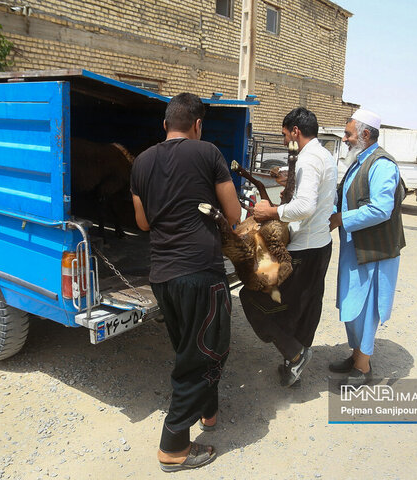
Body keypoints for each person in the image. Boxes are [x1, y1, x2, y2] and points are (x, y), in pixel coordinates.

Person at [130, 92, 241, 472]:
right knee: (205, 354)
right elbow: (233, 211)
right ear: (197, 125)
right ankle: (173, 445)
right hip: (200, 274)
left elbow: (143, 223)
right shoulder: (208, 153)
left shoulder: (141, 162)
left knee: (192, 350)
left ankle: (207, 412)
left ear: (165, 125)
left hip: (162, 276)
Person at [241, 107, 337, 387]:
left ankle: (294, 355)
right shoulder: (324, 155)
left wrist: (270, 212)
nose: (284, 141)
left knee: (253, 299)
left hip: (304, 252)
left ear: (296, 131)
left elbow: (305, 206)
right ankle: (294, 360)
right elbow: (315, 196)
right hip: (320, 245)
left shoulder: (309, 159)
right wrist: (288, 180)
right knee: (304, 306)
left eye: (285, 135)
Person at [328, 109, 406, 386]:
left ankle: (362, 368)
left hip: (374, 252)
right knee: (352, 305)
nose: (345, 139)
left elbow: (381, 209)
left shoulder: (382, 165)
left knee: (366, 308)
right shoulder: (360, 160)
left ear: (364, 134)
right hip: (355, 248)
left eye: (349, 134)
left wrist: (341, 219)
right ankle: (357, 354)